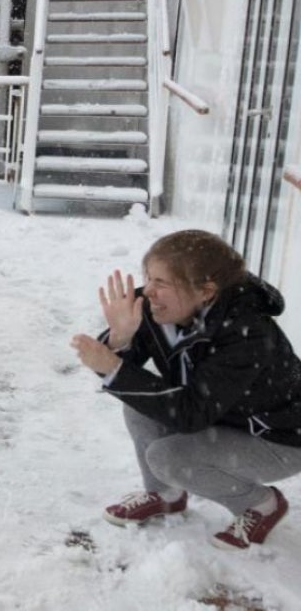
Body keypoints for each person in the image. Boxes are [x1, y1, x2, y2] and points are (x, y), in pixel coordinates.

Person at [70, 230, 301, 550]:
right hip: (223, 413)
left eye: (161, 282)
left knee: (169, 458)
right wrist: (120, 339)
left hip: (279, 437)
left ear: (206, 291)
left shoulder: (248, 334)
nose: (147, 290)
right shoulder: (155, 306)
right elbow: (123, 368)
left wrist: (113, 367)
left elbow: (191, 413)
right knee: (138, 402)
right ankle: (165, 494)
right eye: (147, 277)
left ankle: (261, 505)